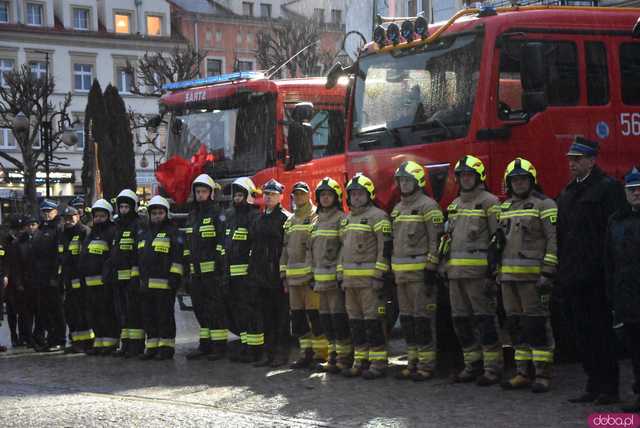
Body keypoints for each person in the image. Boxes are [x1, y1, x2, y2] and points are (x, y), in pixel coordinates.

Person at [557, 137, 626, 405]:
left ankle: (609, 387)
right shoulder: (568, 192)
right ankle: (593, 383)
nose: (572, 164)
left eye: (578, 159)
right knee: (581, 334)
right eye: (570, 159)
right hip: (573, 275)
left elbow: (613, 234)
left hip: (596, 276)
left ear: (592, 160)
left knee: (601, 334)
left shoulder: (608, 189)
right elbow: (563, 236)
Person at [497, 158, 557, 393]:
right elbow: (500, 243)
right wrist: (497, 272)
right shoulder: (505, 207)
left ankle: (542, 374)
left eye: (523, 179)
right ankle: (522, 371)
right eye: (514, 180)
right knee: (515, 326)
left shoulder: (545, 205)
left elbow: (553, 241)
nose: (519, 183)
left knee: (537, 325)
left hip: (534, 278)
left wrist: (548, 272)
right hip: (508, 279)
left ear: (531, 181)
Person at [445, 155, 503, 385]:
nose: (466, 179)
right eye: (462, 176)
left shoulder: (490, 202)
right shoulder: (454, 205)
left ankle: (492, 368)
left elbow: (497, 240)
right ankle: (472, 365)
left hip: (479, 277)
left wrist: (493, 272)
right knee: (461, 322)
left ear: (479, 177)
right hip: (455, 275)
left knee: (485, 321)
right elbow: (447, 240)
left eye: (470, 175)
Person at [391, 161, 444, 381]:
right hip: (401, 276)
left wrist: (431, 267)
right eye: (401, 181)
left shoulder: (429, 207)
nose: (404, 185)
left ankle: (426, 364)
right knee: (408, 322)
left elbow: (437, 240)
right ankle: (412, 361)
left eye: (408, 181)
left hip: (421, 276)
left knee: (423, 321)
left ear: (419, 182)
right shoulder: (397, 209)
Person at [339, 173, 392, 380]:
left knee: (373, 323)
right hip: (350, 282)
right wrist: (341, 275)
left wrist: (379, 275)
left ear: (369, 195)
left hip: (369, 281)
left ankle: (378, 363)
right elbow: (343, 250)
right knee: (356, 324)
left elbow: (384, 248)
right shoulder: (346, 219)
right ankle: (360, 361)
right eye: (353, 194)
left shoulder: (378, 217)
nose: (356, 198)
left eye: (360, 194)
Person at [604, 166, 640, 412]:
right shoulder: (616, 221)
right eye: (632, 189)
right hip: (626, 294)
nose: (636, 193)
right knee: (635, 349)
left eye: (639, 189)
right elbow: (609, 261)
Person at [281, 181, 328, 370]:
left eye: (302, 194)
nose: (299, 197)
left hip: (309, 278)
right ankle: (305, 353)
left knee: (314, 317)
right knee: (298, 319)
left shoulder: (316, 216)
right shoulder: (290, 221)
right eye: (296, 195)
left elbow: (314, 248)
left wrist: (312, 272)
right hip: (293, 279)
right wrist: (283, 273)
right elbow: (284, 250)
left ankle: (321, 354)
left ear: (309, 195)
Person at [308, 177, 352, 374]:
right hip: (319, 280)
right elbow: (311, 250)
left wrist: (340, 272)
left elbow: (345, 248)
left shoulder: (342, 219)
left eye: (329, 195)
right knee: (326, 320)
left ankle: (344, 358)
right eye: (322, 195)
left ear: (337, 197)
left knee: (338, 319)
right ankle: (332, 357)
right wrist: (311, 274)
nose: (325, 198)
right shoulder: (316, 221)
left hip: (334, 279)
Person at [248, 179, 291, 368]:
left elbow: (287, 248)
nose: (268, 197)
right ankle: (269, 353)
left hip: (277, 274)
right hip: (261, 275)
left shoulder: (285, 218)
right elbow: (254, 247)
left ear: (280, 196)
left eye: (272, 194)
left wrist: (284, 273)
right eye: (266, 193)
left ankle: (282, 354)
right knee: (265, 316)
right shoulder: (258, 219)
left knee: (281, 316)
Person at [184, 174, 227, 361]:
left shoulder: (218, 213)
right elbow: (188, 243)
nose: (200, 195)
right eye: (198, 192)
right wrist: (187, 267)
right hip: (196, 272)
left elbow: (222, 241)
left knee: (215, 309)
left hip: (212, 273)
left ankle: (219, 347)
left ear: (211, 193)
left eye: (203, 191)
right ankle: (205, 345)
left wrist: (219, 265)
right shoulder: (193, 216)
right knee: (200, 309)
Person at [137, 196, 184, 361]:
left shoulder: (173, 232)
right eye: (154, 213)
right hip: (146, 285)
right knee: (149, 317)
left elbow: (178, 257)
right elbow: (139, 259)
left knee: (164, 317)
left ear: (166, 214)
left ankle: (166, 348)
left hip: (165, 285)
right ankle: (152, 346)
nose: (157, 216)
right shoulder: (144, 234)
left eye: (160, 213)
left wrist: (174, 277)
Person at [224, 177, 261, 363]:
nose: (237, 198)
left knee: (251, 312)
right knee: (239, 312)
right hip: (232, 275)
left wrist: (252, 272)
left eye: (241, 195)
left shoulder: (254, 217)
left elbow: (255, 246)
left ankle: (254, 349)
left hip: (247, 275)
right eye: (236, 195)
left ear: (248, 196)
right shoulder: (230, 216)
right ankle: (245, 345)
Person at [109, 189, 147, 358]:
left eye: (126, 207)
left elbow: (138, 252)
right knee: (121, 313)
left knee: (134, 313)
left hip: (132, 277)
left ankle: (137, 345)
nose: (123, 210)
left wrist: (135, 275)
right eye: (121, 207)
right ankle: (126, 344)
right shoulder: (117, 226)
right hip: (118, 277)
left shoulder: (138, 225)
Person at [80, 199, 117, 355]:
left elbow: (112, 257)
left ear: (108, 216)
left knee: (106, 313)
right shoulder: (91, 233)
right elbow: (84, 256)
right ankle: (99, 341)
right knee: (94, 314)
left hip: (105, 282)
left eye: (102, 216)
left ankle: (110, 342)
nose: (99, 219)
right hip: (90, 282)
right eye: (96, 216)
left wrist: (107, 275)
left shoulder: (112, 232)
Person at [31, 199, 66, 352]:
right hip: (40, 277)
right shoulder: (40, 229)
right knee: (44, 310)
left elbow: (58, 255)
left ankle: (59, 339)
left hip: (52, 277)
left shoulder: (58, 229)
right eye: (44, 212)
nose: (46, 214)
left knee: (56, 310)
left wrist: (56, 276)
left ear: (55, 212)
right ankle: (50, 338)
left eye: (49, 211)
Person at [60, 206, 92, 353]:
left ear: (78, 216)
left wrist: (81, 277)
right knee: (71, 312)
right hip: (68, 279)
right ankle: (76, 341)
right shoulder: (64, 234)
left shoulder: (83, 232)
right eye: (66, 218)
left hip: (80, 279)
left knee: (82, 312)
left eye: (71, 217)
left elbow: (84, 257)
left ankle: (87, 342)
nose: (68, 220)